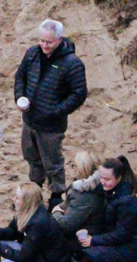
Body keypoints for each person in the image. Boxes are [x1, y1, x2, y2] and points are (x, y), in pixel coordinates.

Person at [11, 18, 87, 200]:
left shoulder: (72, 63)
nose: (44, 45)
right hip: (29, 120)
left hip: (52, 126)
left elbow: (79, 94)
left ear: (59, 40)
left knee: (53, 163)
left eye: (49, 42)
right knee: (32, 158)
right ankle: (34, 193)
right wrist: (19, 97)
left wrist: (56, 111)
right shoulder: (32, 54)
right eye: (42, 40)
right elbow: (20, 77)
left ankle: (56, 196)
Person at [73, 156, 137, 262]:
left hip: (131, 245)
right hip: (116, 239)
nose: (102, 182)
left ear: (119, 178)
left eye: (107, 179)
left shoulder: (126, 202)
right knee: (80, 251)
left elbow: (122, 234)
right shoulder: (112, 191)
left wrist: (94, 240)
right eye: (101, 178)